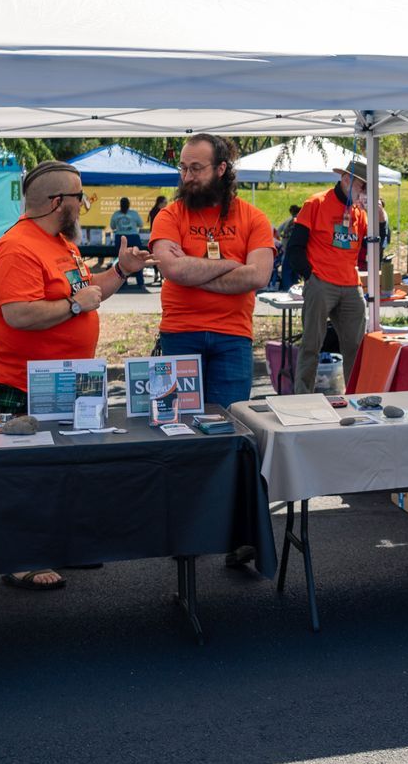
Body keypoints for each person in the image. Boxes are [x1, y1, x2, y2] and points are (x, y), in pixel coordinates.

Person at [0, 160, 147, 592]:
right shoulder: (18, 247)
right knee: (22, 478)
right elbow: (19, 314)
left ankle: (62, 545)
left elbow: (88, 292)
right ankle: (20, 559)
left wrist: (122, 271)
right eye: (80, 197)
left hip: (68, 381)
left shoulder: (59, 243)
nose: (85, 204)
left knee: (63, 471)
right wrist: (75, 306)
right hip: (22, 385)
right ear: (58, 203)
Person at [148, 135, 275, 567]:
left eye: (196, 168)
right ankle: (185, 529)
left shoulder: (254, 218)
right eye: (183, 168)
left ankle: (240, 531)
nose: (187, 176)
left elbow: (256, 277)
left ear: (222, 169)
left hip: (231, 339)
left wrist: (194, 270)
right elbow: (172, 267)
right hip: (179, 335)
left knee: (235, 436)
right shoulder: (170, 213)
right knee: (178, 432)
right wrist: (227, 267)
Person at [284, 160, 371, 394]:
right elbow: (294, 247)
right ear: (346, 180)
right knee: (312, 343)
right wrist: (311, 276)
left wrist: (379, 216)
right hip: (321, 282)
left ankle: (356, 396)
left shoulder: (361, 213)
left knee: (356, 345)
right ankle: (303, 397)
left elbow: (375, 249)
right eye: (362, 187)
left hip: (351, 284)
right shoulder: (316, 203)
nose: (364, 193)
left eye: (367, 189)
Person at [109, 197, 146, 288]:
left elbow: (112, 226)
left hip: (120, 238)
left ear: (120, 205)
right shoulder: (134, 214)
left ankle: (122, 283)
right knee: (138, 259)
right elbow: (140, 224)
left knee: (121, 261)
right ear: (129, 205)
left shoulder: (116, 214)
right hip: (133, 237)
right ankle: (140, 283)